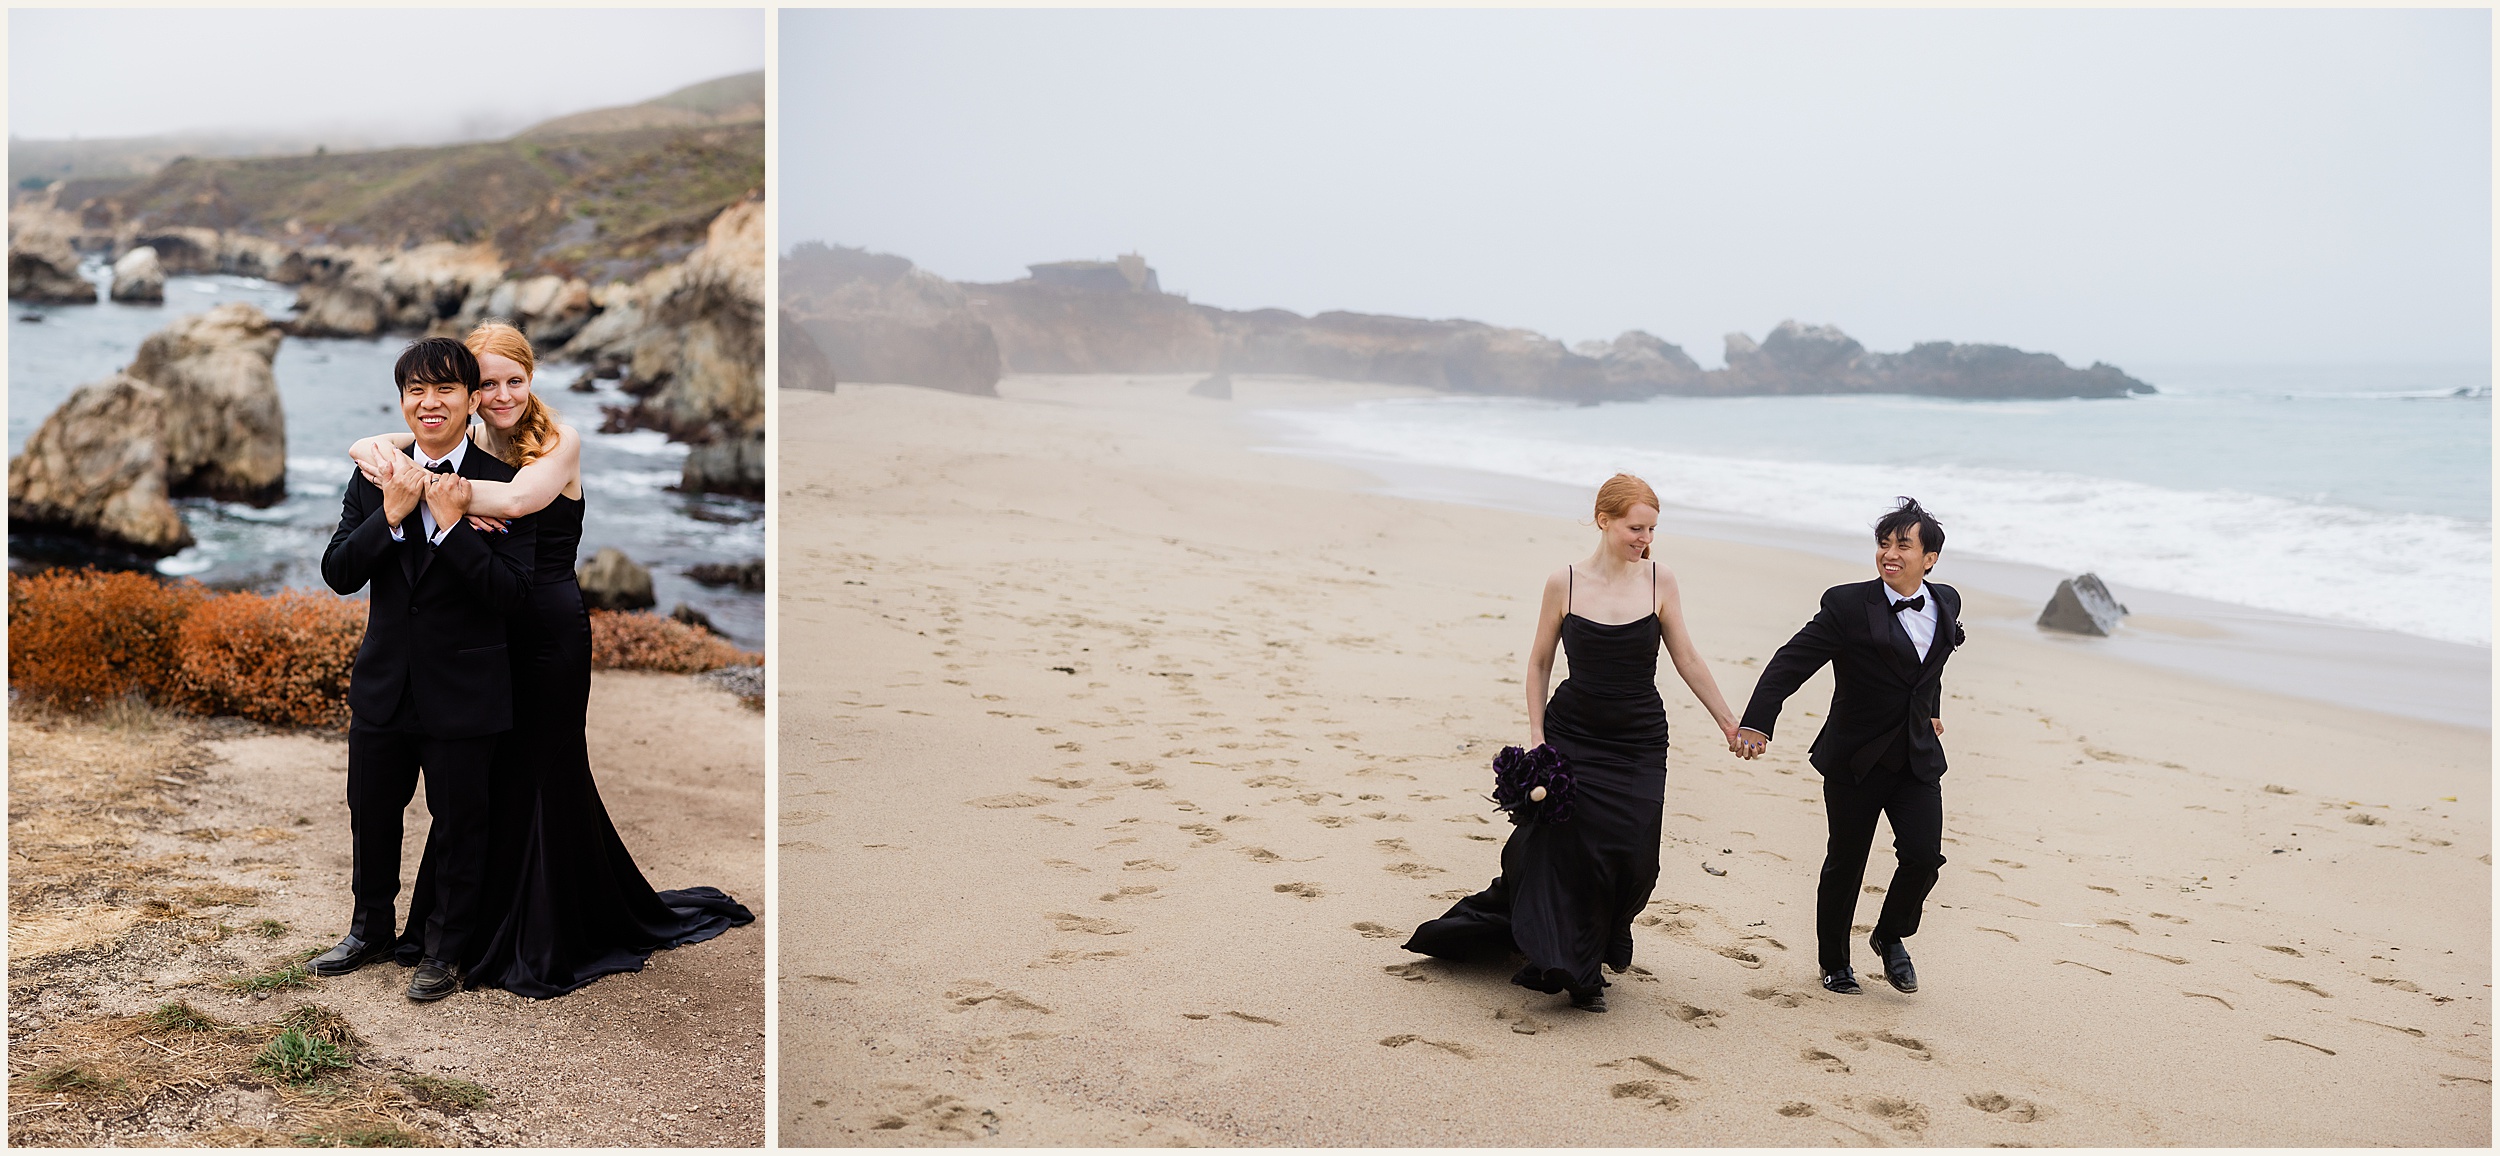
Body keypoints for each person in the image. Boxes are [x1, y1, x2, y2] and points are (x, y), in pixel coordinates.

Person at [350, 320, 752, 999]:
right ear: (471, 393)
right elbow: (381, 440)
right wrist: (384, 457)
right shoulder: (473, 437)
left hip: (545, 630)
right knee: (484, 782)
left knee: (541, 773)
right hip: (484, 625)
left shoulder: (560, 442)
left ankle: (544, 927)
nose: (503, 393)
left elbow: (515, 500)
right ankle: (465, 928)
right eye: (488, 382)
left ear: (532, 379)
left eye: (515, 380)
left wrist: (427, 494)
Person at [1405, 473, 1748, 1012]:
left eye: (1653, 529)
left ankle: (1607, 931)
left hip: (1638, 738)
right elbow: (1540, 661)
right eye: (1636, 528)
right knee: (1563, 851)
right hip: (1573, 732)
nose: (1646, 539)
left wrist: (1728, 722)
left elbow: (1687, 659)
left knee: (1635, 856)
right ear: (1604, 520)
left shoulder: (1661, 581)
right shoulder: (1562, 583)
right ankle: (1574, 966)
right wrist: (1539, 738)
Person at [316, 337, 538, 1003]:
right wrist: (390, 516)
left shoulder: (504, 487)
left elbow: (515, 596)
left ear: (472, 401)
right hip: (384, 683)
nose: (429, 401)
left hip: (466, 689)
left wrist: (452, 529)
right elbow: (337, 572)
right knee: (372, 812)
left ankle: (444, 950)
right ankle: (369, 930)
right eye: (416, 390)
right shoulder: (376, 476)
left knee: (461, 822)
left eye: (444, 389)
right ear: (404, 402)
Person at [1733, 497, 1963, 997]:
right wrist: (1758, 722)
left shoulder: (1946, 601)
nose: (1890, 554)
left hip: (1916, 756)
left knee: (1923, 857)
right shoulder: (1846, 605)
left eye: (1904, 544)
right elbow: (1790, 662)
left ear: (1930, 558)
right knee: (1847, 860)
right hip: (1855, 757)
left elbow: (1930, 663)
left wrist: (1932, 707)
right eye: (1884, 544)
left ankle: (1890, 934)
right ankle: (1834, 962)